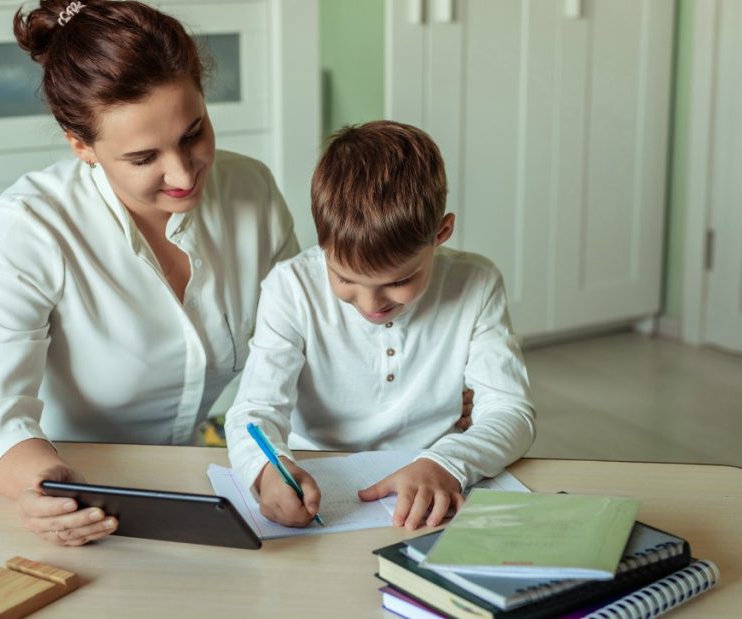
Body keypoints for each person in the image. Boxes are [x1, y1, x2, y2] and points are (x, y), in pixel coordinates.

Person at [0, 0, 299, 546]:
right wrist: (39, 482)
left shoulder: (251, 190)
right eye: (143, 157)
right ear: (79, 144)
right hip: (78, 493)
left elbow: (304, 342)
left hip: (198, 489)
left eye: (195, 133)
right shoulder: (27, 228)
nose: (185, 174)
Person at [225, 120, 536, 531]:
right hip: (319, 478)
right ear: (322, 244)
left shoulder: (476, 283)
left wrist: (446, 463)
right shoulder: (290, 288)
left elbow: (510, 410)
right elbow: (255, 411)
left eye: (399, 280)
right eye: (346, 279)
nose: (372, 304)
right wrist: (267, 471)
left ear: (440, 232)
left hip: (434, 482)